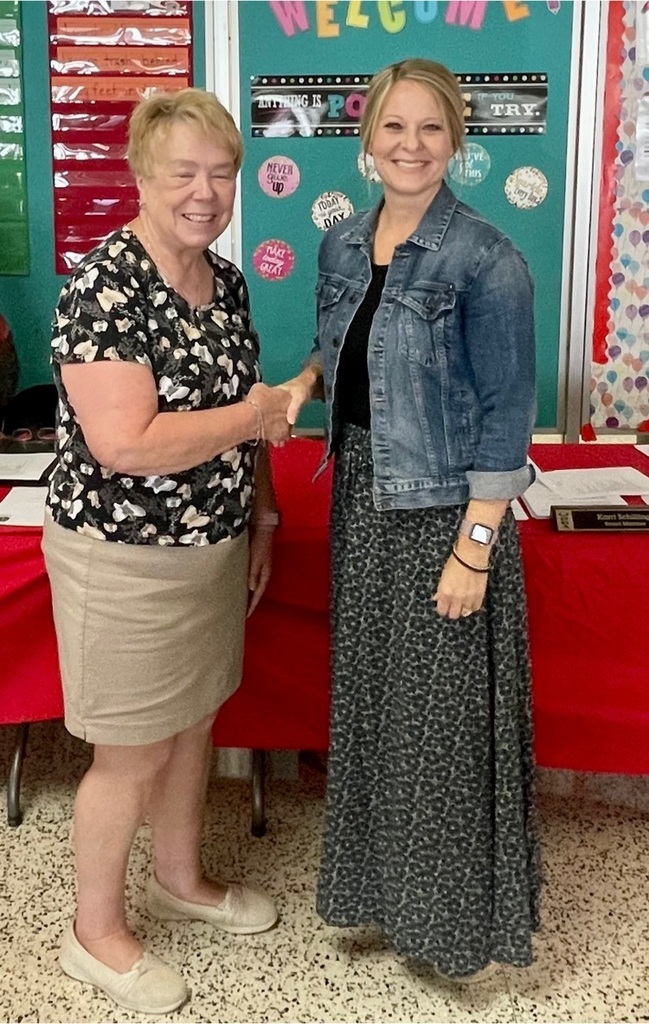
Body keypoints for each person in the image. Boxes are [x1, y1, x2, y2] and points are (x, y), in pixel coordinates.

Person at [282, 58, 539, 980]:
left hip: (443, 517)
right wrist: (304, 381)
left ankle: (449, 932)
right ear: (367, 139)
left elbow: (508, 412)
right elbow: (348, 347)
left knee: (439, 732)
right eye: (394, 126)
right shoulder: (342, 245)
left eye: (432, 128)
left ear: (456, 141)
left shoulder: (486, 258)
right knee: (375, 713)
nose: (411, 145)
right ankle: (383, 902)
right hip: (362, 502)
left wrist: (474, 548)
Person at [42, 88, 292, 1015]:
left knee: (193, 723)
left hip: (212, 549)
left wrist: (262, 517)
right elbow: (128, 443)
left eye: (220, 173)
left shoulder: (224, 281)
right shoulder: (104, 286)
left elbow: (243, 419)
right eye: (183, 172)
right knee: (131, 754)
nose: (204, 192)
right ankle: (92, 933)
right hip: (123, 559)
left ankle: (179, 879)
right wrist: (259, 413)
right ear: (141, 176)